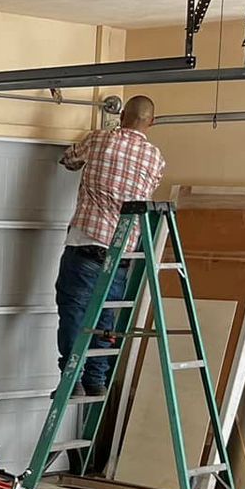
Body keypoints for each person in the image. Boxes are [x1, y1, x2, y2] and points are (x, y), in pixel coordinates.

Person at [56, 96, 166, 395]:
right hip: (122, 250)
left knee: (74, 311)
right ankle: (97, 379)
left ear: (122, 116)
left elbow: (68, 159)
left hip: (86, 244)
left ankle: (72, 379)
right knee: (105, 316)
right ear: (151, 122)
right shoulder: (155, 158)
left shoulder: (100, 140)